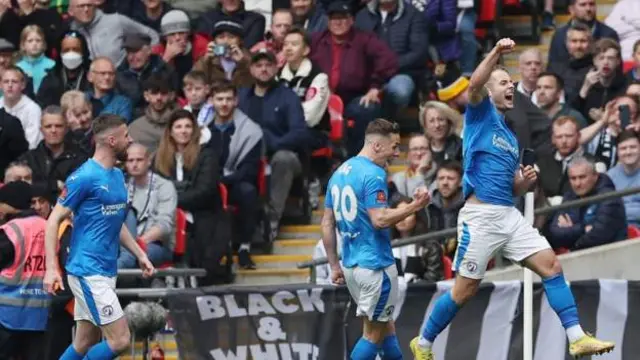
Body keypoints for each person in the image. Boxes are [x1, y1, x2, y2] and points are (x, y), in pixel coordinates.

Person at [410, 38, 615, 360]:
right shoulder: (480, 114)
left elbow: (509, 188)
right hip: (481, 219)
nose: (511, 87)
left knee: (551, 266)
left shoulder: (507, 134)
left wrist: (521, 183)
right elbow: (475, 83)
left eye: (512, 83)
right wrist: (494, 52)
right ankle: (422, 342)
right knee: (463, 291)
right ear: (489, 91)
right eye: (504, 82)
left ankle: (576, 337)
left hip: (507, 214)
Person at [43, 114, 155, 360]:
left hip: (105, 269)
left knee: (85, 341)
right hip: (87, 270)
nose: (131, 139)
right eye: (126, 136)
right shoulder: (83, 177)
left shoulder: (116, 175)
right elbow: (53, 220)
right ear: (112, 140)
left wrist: (140, 254)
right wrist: (52, 268)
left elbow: (116, 221)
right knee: (121, 340)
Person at [321, 118, 430, 360]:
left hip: (351, 266)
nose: (397, 152)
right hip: (375, 266)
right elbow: (380, 219)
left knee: (385, 326)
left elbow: (327, 223)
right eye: (394, 146)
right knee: (373, 334)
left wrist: (334, 265)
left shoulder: (339, 172)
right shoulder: (373, 174)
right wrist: (415, 206)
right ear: (377, 146)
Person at [0, 181, 49, 360]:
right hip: (41, 315)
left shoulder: (10, 231)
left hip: (8, 317)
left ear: (10, 205)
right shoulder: (48, 226)